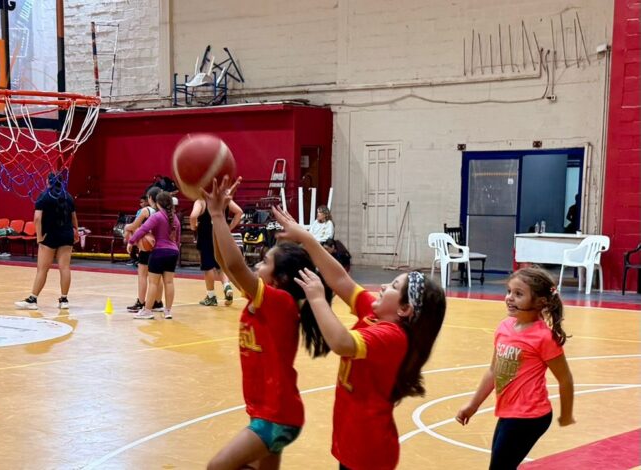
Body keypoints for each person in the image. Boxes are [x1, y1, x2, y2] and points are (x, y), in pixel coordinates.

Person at [271, 204, 446, 470]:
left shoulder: (393, 336)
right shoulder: (375, 314)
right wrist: (306, 238)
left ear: (404, 309)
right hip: (352, 438)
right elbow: (341, 280)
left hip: (369, 449)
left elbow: (342, 343)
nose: (384, 286)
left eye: (393, 286)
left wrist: (317, 298)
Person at [204, 177, 332, 470]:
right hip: (269, 413)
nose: (257, 266)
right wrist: (217, 218)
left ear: (280, 279)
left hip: (276, 416)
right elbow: (224, 262)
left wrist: (217, 214)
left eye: (264, 263)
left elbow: (235, 265)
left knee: (217, 467)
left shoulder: (279, 303)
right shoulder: (263, 300)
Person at [455, 266, 575, 469]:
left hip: (530, 416)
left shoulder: (544, 337)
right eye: (509, 291)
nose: (509, 298)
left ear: (540, 302)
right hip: (509, 412)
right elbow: (494, 371)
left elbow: (565, 379)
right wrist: (473, 405)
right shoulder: (504, 327)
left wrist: (567, 413)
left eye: (519, 294)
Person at [15, 174, 79, 310]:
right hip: (66, 235)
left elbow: (37, 218)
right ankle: (64, 300)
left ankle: (32, 299)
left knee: (42, 269)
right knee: (65, 268)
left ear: (47, 181)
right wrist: (76, 232)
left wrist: (39, 237)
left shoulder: (44, 196)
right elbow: (74, 217)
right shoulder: (68, 196)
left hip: (49, 236)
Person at [128, 191, 181, 320]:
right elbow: (178, 239)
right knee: (169, 282)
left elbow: (143, 230)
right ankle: (168, 311)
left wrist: (131, 242)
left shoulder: (157, 216)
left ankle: (147, 311)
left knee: (153, 283)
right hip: (173, 252)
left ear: (158, 203)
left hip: (158, 252)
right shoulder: (175, 218)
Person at [189, 197, 242, 306]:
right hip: (221, 234)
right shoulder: (224, 198)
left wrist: (194, 227)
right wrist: (229, 227)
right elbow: (239, 212)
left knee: (208, 266)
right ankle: (227, 286)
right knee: (221, 264)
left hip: (206, 236)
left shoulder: (201, 201)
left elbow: (193, 216)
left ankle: (211, 296)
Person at [124, 187, 164, 313]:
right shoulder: (164, 211)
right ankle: (158, 302)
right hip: (159, 246)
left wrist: (126, 227)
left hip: (147, 247)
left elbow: (134, 226)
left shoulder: (146, 210)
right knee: (157, 277)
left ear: (150, 198)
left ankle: (141, 302)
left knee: (142, 275)